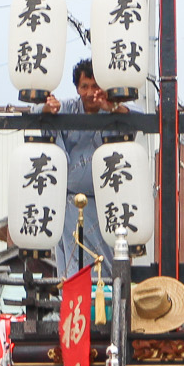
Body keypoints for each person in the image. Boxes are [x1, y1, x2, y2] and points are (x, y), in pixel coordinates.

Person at [43, 59, 128, 277]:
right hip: (72, 203)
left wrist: (111, 107)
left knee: (106, 268)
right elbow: (38, 111)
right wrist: (45, 107)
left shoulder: (114, 109)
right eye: (84, 86)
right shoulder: (68, 109)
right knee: (72, 266)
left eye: (95, 86)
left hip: (105, 202)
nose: (90, 93)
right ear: (77, 88)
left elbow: (135, 113)